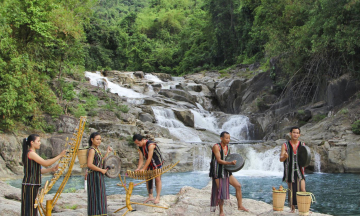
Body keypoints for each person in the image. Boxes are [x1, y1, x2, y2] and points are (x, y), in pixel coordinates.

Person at [21, 134, 66, 216]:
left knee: (32, 209)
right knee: (30, 210)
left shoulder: (32, 153)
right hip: (30, 184)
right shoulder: (31, 153)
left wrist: (51, 169)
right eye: (38, 141)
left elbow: (39, 170)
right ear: (32, 142)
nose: (40, 143)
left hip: (32, 184)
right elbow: (45, 163)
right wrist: (59, 156)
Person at [209, 131, 248, 216]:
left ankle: (240, 206)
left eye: (229, 138)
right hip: (217, 172)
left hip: (226, 171)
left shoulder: (228, 147)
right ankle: (221, 212)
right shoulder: (216, 147)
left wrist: (234, 165)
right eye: (226, 138)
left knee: (238, 186)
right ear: (221, 138)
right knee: (221, 191)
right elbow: (219, 160)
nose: (228, 140)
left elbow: (229, 158)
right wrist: (230, 163)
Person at [280, 126, 306, 213]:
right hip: (289, 170)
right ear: (290, 134)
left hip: (299, 170)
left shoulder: (302, 145)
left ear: (299, 135)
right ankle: (292, 209)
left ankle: (304, 208)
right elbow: (281, 159)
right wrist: (285, 156)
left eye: (297, 133)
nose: (295, 134)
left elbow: (306, 158)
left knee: (302, 189)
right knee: (291, 190)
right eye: (294, 132)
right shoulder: (285, 145)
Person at [133, 134, 164, 204]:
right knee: (148, 178)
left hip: (157, 161)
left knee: (157, 178)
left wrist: (143, 169)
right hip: (149, 163)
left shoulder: (150, 145)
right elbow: (141, 159)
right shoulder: (140, 147)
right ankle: (150, 196)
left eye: (138, 143)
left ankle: (158, 196)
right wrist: (138, 168)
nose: (138, 145)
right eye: (136, 144)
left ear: (142, 140)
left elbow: (150, 158)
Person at [87, 132, 113, 216]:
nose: (99, 141)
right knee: (95, 196)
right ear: (92, 140)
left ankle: (101, 213)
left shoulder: (96, 149)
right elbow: (90, 164)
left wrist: (107, 153)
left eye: (100, 139)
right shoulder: (91, 150)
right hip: (94, 176)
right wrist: (101, 170)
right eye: (97, 139)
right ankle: (95, 214)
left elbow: (99, 161)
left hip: (98, 175)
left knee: (100, 195)